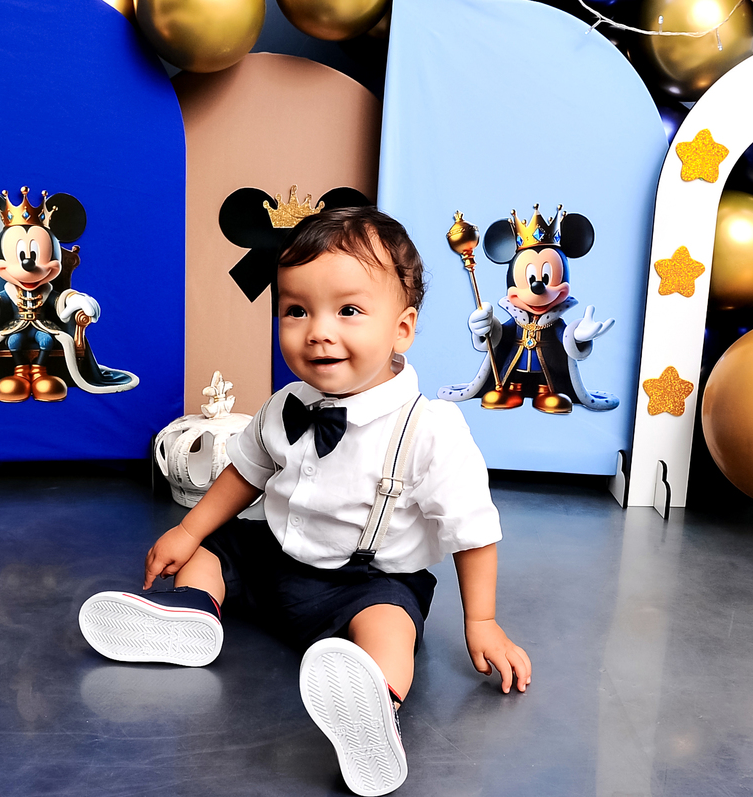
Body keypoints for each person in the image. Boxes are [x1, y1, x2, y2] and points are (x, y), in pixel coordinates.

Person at [79, 206, 530, 797]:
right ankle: (193, 611)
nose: (318, 331)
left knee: (391, 622)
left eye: (348, 311)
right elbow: (244, 473)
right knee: (217, 549)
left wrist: (482, 621)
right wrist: (188, 532)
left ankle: (375, 703)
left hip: (364, 581)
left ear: (402, 329)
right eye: (296, 310)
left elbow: (473, 530)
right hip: (277, 556)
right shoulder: (285, 403)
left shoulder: (430, 429)